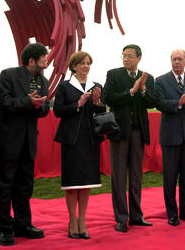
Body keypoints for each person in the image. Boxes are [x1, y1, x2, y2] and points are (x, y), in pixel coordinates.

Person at [0, 43, 49, 246]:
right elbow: (3, 102)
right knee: (4, 187)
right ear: (32, 60)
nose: (47, 61)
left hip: (28, 142)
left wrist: (39, 106)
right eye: (43, 58)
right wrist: (28, 102)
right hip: (5, 142)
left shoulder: (43, 80)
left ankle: (23, 225)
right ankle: (5, 228)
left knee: (24, 187)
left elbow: (45, 108)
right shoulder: (8, 75)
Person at [53, 51, 105, 240]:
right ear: (73, 66)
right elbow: (58, 110)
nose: (85, 66)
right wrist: (78, 104)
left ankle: (82, 220)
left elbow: (102, 111)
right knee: (72, 184)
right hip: (71, 140)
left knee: (86, 183)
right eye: (82, 63)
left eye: (88, 63)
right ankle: (72, 220)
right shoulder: (64, 87)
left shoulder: (96, 86)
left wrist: (98, 102)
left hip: (90, 139)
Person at [104, 44, 155, 233]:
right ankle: (121, 218)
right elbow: (109, 98)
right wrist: (131, 92)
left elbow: (152, 102)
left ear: (139, 58)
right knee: (118, 175)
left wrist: (142, 90)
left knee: (136, 175)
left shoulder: (146, 77)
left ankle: (136, 215)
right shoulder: (114, 74)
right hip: (119, 131)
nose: (126, 59)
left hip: (138, 131)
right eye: (124, 55)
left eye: (130, 56)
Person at [155, 49, 185, 226]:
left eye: (180, 59)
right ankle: (172, 214)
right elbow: (159, 103)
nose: (176, 62)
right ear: (171, 61)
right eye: (174, 59)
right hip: (170, 137)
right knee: (169, 178)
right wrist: (179, 102)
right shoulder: (160, 80)